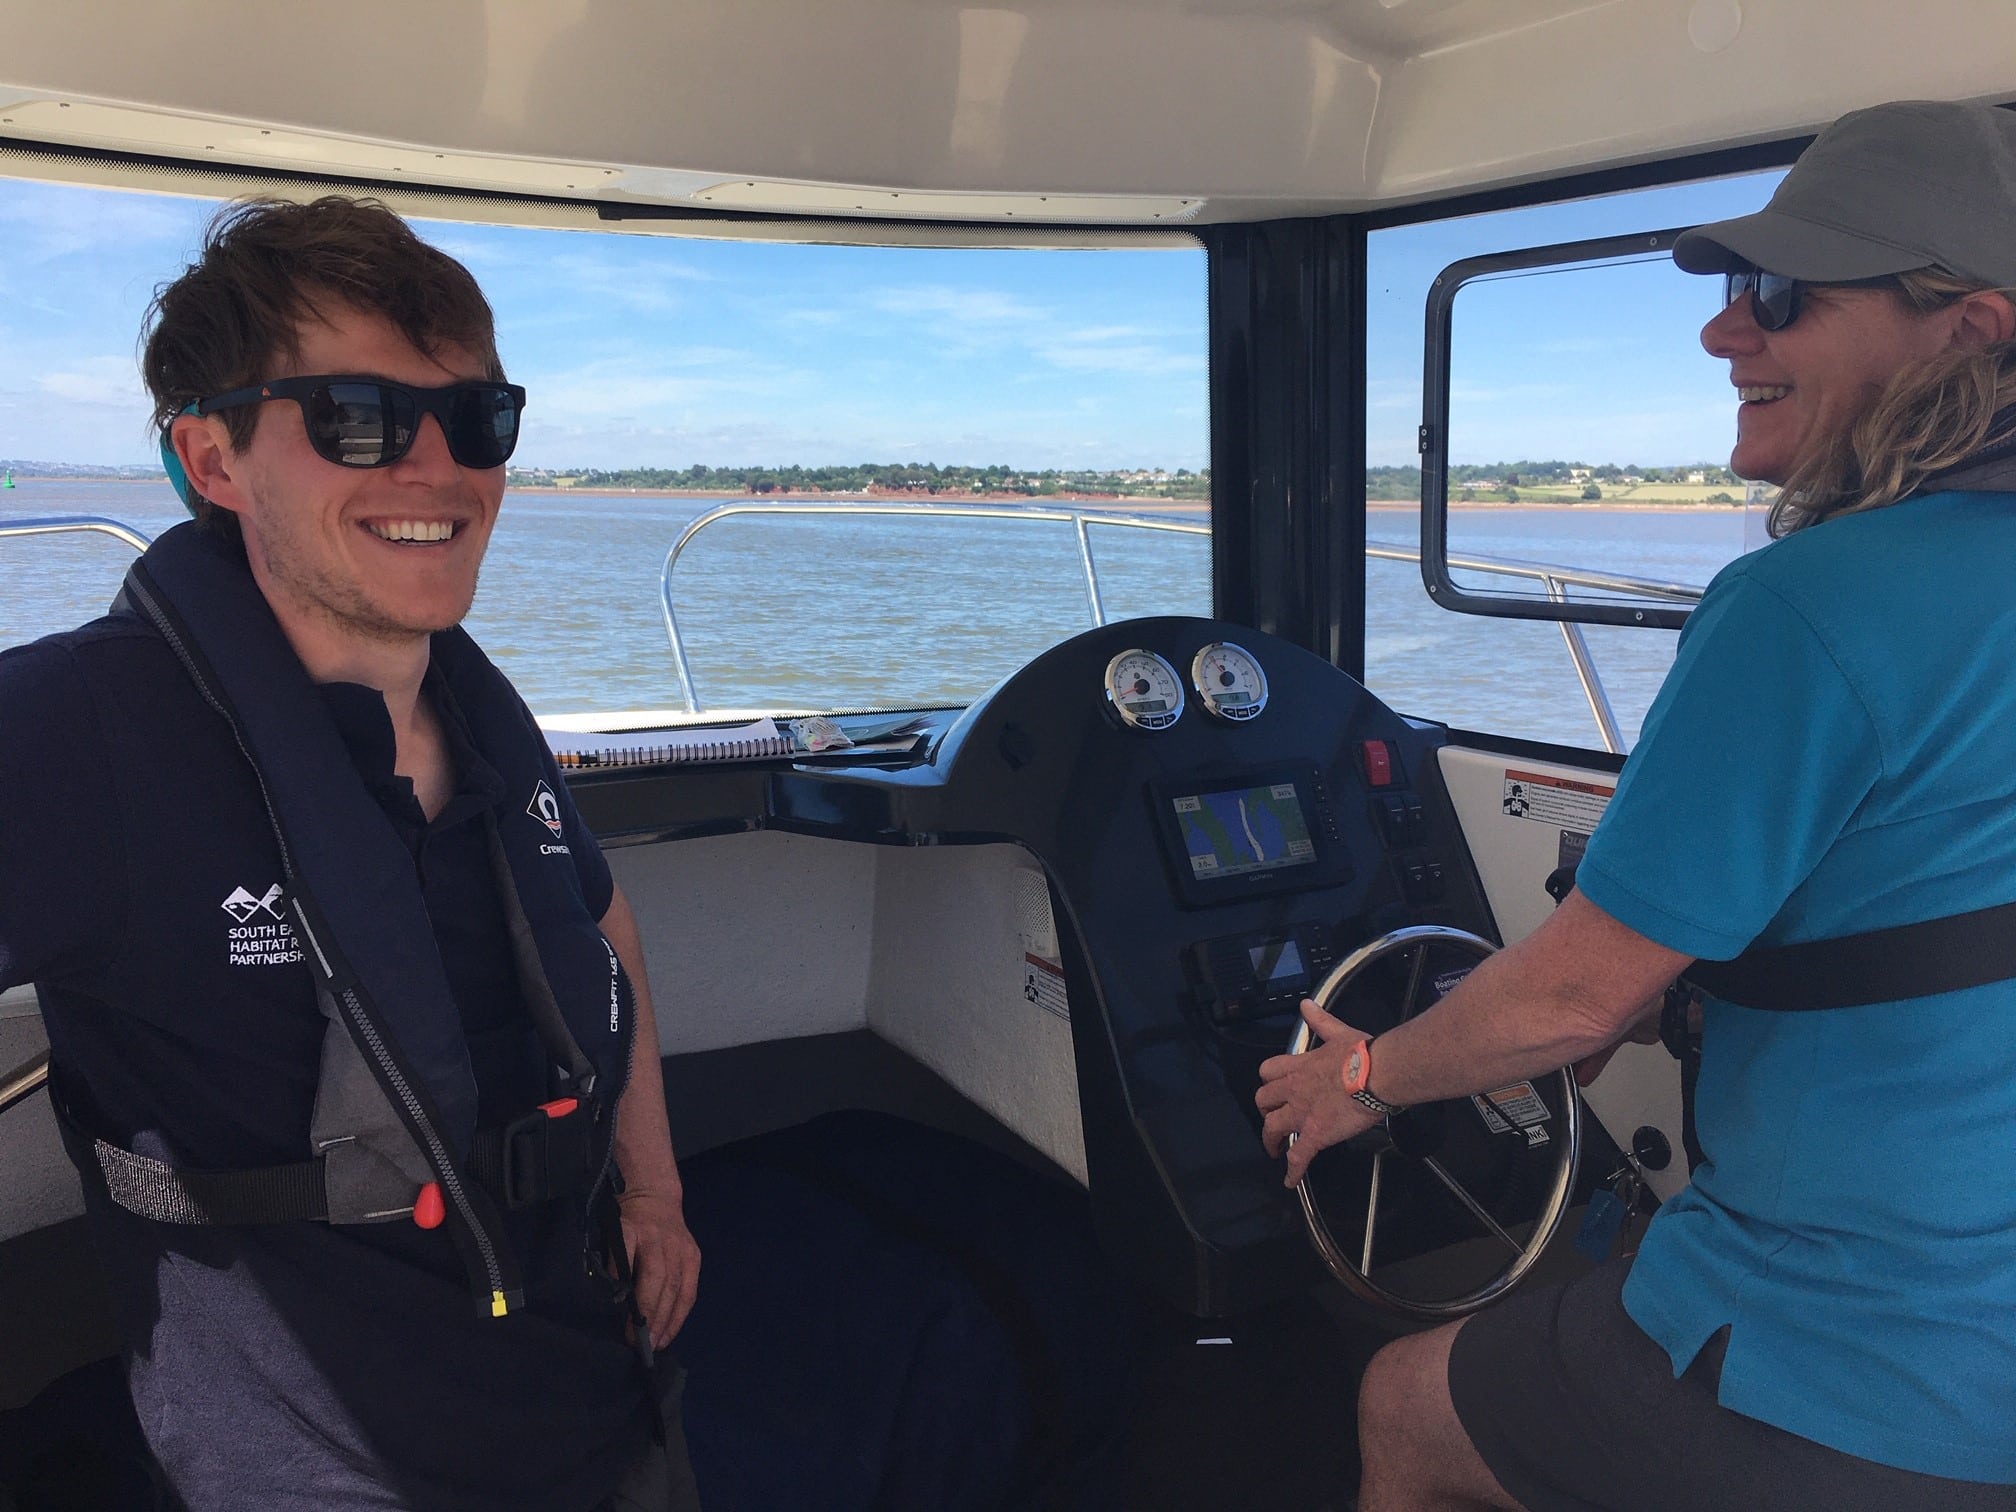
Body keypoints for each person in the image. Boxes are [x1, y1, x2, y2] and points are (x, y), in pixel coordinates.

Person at [1256, 99, 2016, 1510]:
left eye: (1782, 298)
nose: (1729, 334)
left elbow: (1567, 1004)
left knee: (1405, 1403)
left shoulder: (1811, 607)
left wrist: (1353, 1079)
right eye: (1738, 292)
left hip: (1880, 1356)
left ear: (1967, 332)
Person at [0, 196, 701, 1510]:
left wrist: (654, 1193)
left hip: (598, 1404)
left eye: (478, 420)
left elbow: (599, 926)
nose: (436, 470)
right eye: (357, 418)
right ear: (213, 460)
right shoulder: (72, 737)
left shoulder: (485, 720)